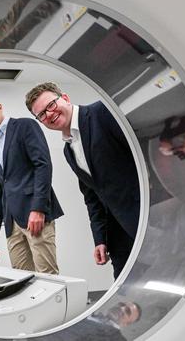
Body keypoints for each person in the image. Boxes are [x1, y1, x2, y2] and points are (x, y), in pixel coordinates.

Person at [25, 82, 140, 279]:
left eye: (51, 105)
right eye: (41, 115)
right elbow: (93, 196)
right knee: (125, 291)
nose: (49, 114)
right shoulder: (68, 150)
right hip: (118, 233)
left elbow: (141, 156)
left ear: (66, 98)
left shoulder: (102, 113)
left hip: (146, 219)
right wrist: (100, 239)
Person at [0, 92, 63, 274]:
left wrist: (39, 209)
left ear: (0, 107)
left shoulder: (24, 126)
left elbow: (43, 165)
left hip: (34, 216)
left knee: (48, 278)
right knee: (21, 279)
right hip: (11, 223)